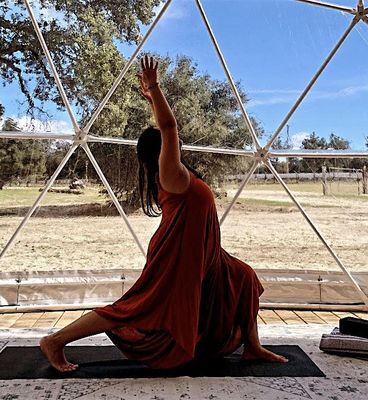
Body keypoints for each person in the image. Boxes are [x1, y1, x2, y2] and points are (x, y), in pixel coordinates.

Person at [40, 55, 288, 372]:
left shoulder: (177, 175)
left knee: (243, 276)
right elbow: (169, 127)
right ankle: (55, 340)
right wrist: (155, 88)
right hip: (178, 254)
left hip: (206, 255)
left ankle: (253, 346)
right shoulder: (172, 175)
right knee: (136, 307)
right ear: (161, 152)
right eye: (169, 145)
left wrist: (150, 100)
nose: (176, 145)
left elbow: (165, 130)